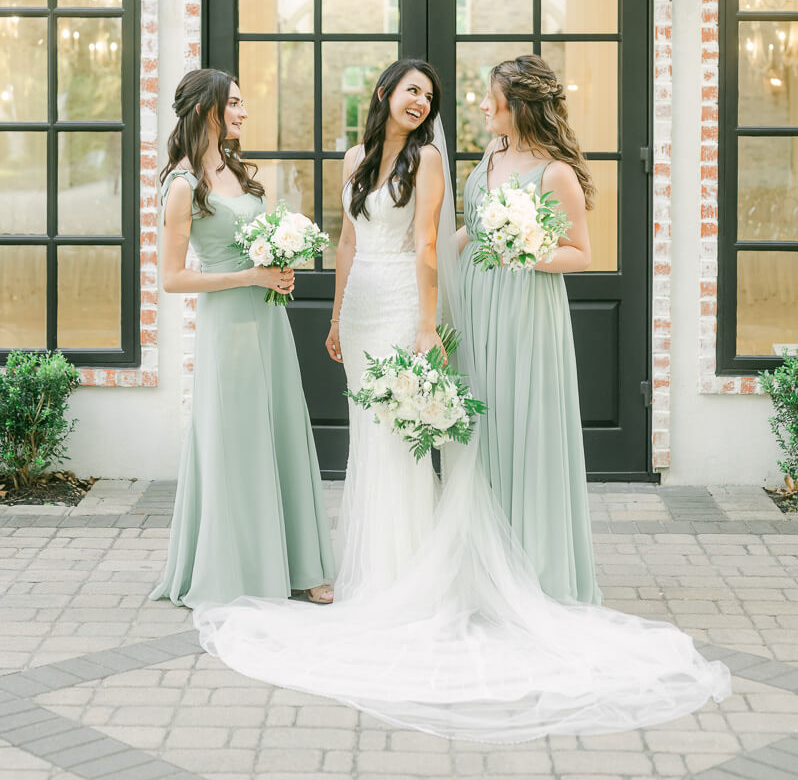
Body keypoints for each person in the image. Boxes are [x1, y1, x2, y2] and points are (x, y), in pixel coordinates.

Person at [192, 59, 730, 742]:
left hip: (411, 311)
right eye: (412, 90)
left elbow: (428, 245)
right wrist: (332, 316)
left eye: (435, 95)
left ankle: (416, 580)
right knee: (372, 443)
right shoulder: (363, 157)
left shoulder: (432, 163)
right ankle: (373, 574)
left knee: (408, 444)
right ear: (384, 92)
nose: (430, 102)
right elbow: (353, 237)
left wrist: (428, 321)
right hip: (361, 311)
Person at [150, 68, 334, 608]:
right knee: (237, 440)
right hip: (228, 326)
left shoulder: (236, 171)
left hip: (268, 319)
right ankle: (239, 569)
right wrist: (248, 277)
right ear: (209, 110)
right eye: (234, 103)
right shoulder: (183, 187)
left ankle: (301, 565)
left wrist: (277, 263)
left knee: (281, 431)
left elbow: (255, 242)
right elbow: (173, 277)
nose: (243, 113)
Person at [458, 55, 601, 604]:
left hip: (525, 310)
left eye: (493, 96)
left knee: (523, 424)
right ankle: (485, 566)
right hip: (478, 302)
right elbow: (470, 231)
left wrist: (525, 250)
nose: (484, 105)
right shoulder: (492, 153)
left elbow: (580, 255)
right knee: (483, 429)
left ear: (520, 106)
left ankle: (534, 571)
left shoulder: (555, 172)